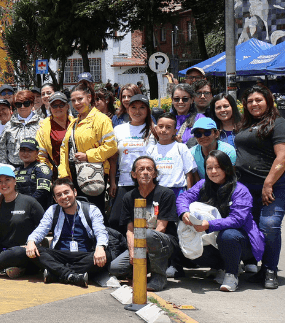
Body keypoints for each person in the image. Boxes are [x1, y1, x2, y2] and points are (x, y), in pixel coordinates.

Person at [177, 150, 263, 292]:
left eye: (218, 167)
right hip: (213, 237)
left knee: (228, 235)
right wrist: (184, 212)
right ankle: (220, 267)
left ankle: (232, 274)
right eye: (209, 168)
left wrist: (209, 225)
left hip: (242, 242)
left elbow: (237, 220)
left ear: (227, 168)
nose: (213, 171)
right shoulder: (203, 184)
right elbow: (183, 198)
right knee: (184, 237)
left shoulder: (240, 190)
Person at [235, 84, 285, 288]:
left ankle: (270, 270)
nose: (254, 104)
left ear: (268, 101)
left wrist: (268, 183)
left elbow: (282, 156)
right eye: (249, 101)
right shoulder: (245, 125)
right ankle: (260, 268)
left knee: (270, 226)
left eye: (258, 100)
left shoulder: (278, 123)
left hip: (272, 186)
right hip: (246, 188)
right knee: (252, 229)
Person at [112, 156, 181, 291]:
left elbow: (161, 227)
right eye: (141, 169)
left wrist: (142, 249)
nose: (145, 172)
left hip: (163, 242)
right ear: (133, 174)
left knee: (149, 234)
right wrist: (133, 251)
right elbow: (130, 230)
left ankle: (159, 276)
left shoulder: (166, 194)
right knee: (116, 268)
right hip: (140, 245)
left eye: (149, 169)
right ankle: (143, 269)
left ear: (154, 174)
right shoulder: (129, 197)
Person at [26, 177, 109, 286]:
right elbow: (41, 230)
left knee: (107, 254)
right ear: (55, 199)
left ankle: (57, 273)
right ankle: (72, 276)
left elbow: (101, 231)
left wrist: (100, 247)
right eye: (59, 195)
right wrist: (31, 241)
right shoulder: (52, 210)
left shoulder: (91, 209)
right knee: (34, 250)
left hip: (84, 255)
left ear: (74, 192)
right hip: (60, 255)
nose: (64, 197)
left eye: (66, 192)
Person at [57, 80, 117, 214]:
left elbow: (111, 147)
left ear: (89, 98)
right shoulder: (73, 123)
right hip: (74, 176)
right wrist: (64, 174)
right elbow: (64, 150)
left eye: (80, 99)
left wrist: (88, 156)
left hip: (94, 176)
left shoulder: (101, 120)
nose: (76, 103)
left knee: (94, 214)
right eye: (73, 100)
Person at [109, 93, 153, 228]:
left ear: (147, 111)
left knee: (143, 221)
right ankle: (124, 246)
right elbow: (113, 157)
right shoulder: (118, 129)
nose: (137, 111)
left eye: (142, 108)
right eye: (133, 107)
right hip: (124, 181)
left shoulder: (154, 130)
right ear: (128, 109)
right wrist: (112, 182)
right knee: (115, 220)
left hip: (147, 182)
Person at [146, 113, 196, 196]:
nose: (164, 130)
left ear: (174, 131)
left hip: (178, 191)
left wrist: (188, 194)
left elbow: (189, 173)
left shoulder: (181, 148)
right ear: (155, 128)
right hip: (156, 191)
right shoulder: (150, 150)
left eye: (168, 127)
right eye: (161, 126)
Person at [0, 90, 41, 167]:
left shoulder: (41, 123)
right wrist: (5, 169)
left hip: (37, 167)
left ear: (32, 104)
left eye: (26, 103)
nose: (22, 107)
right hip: (14, 168)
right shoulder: (9, 125)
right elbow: (2, 150)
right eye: (19, 104)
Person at [37, 91, 71, 176]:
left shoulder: (75, 123)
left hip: (75, 171)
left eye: (61, 105)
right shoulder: (43, 127)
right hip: (54, 173)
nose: (58, 108)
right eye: (54, 106)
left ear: (67, 106)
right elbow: (41, 155)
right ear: (50, 108)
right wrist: (46, 174)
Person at [14, 138, 53, 209]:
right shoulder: (16, 171)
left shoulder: (41, 168)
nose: (25, 153)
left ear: (37, 153)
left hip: (38, 209)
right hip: (19, 209)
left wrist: (27, 205)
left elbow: (42, 191)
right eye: (23, 150)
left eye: (30, 151)